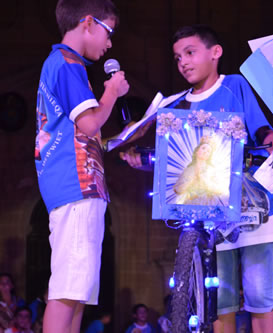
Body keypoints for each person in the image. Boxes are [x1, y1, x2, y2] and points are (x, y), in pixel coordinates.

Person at [120, 24, 273, 333]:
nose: (183, 61)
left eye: (190, 52)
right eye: (177, 57)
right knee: (220, 300)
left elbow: (262, 129)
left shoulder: (235, 86)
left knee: (258, 295)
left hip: (252, 205)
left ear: (215, 52)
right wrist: (139, 158)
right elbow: (175, 162)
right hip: (210, 210)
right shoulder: (176, 105)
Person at [34, 1, 131, 332]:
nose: (110, 43)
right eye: (109, 31)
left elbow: (83, 132)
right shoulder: (66, 63)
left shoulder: (64, 64)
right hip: (75, 185)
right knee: (66, 292)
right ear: (88, 22)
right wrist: (112, 92)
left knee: (77, 294)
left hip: (80, 184)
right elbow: (90, 124)